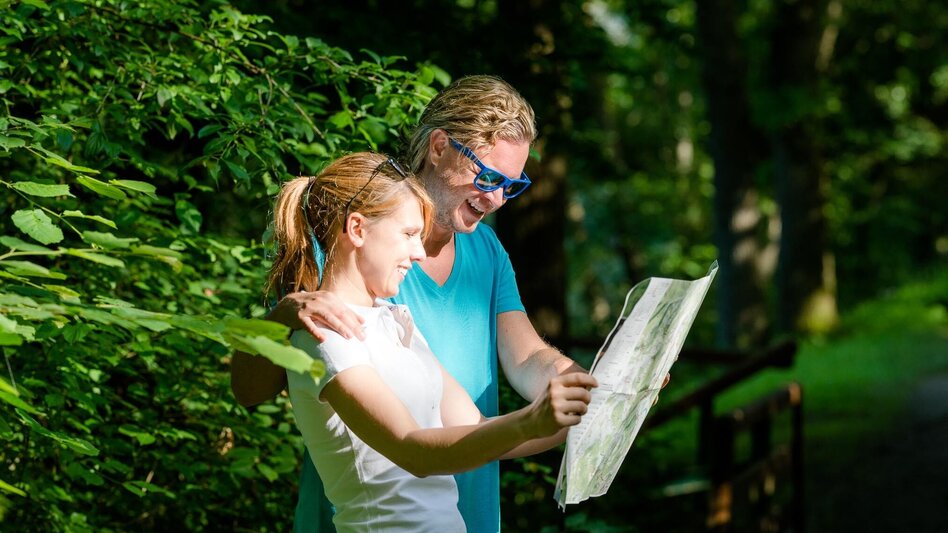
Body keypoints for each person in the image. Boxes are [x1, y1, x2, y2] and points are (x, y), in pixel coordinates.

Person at [232, 75, 588, 533]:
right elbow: (255, 386)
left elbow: (529, 358)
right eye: (489, 176)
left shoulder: (484, 255)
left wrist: (588, 389)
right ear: (440, 147)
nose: (497, 198)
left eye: (511, 185)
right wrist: (284, 314)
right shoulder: (347, 246)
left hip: (467, 506)